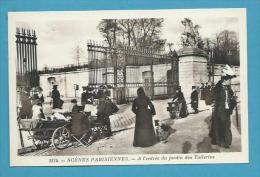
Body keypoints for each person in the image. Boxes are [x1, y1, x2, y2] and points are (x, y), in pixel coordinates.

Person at [209, 65, 237, 149]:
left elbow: (230, 97)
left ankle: (223, 141)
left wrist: (233, 99)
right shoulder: (218, 87)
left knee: (225, 125)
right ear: (225, 79)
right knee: (222, 125)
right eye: (229, 79)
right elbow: (211, 97)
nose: (230, 81)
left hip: (227, 110)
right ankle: (223, 142)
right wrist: (213, 101)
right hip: (219, 110)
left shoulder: (228, 88)